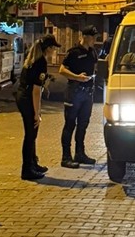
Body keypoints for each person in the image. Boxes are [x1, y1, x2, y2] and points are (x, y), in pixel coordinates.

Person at [14, 34, 60, 180]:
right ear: (48, 48)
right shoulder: (40, 63)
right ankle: (27, 169)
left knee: (31, 134)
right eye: (53, 48)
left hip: (22, 96)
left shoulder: (33, 59)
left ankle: (33, 163)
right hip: (27, 98)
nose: (54, 51)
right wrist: (37, 112)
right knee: (31, 134)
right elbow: (36, 91)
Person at [58, 25, 99, 168]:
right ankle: (66, 157)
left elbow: (95, 67)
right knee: (70, 124)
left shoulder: (93, 52)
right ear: (85, 37)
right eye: (93, 37)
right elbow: (62, 70)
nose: (95, 40)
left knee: (83, 125)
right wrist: (77, 77)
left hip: (88, 93)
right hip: (74, 92)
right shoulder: (74, 52)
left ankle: (80, 154)